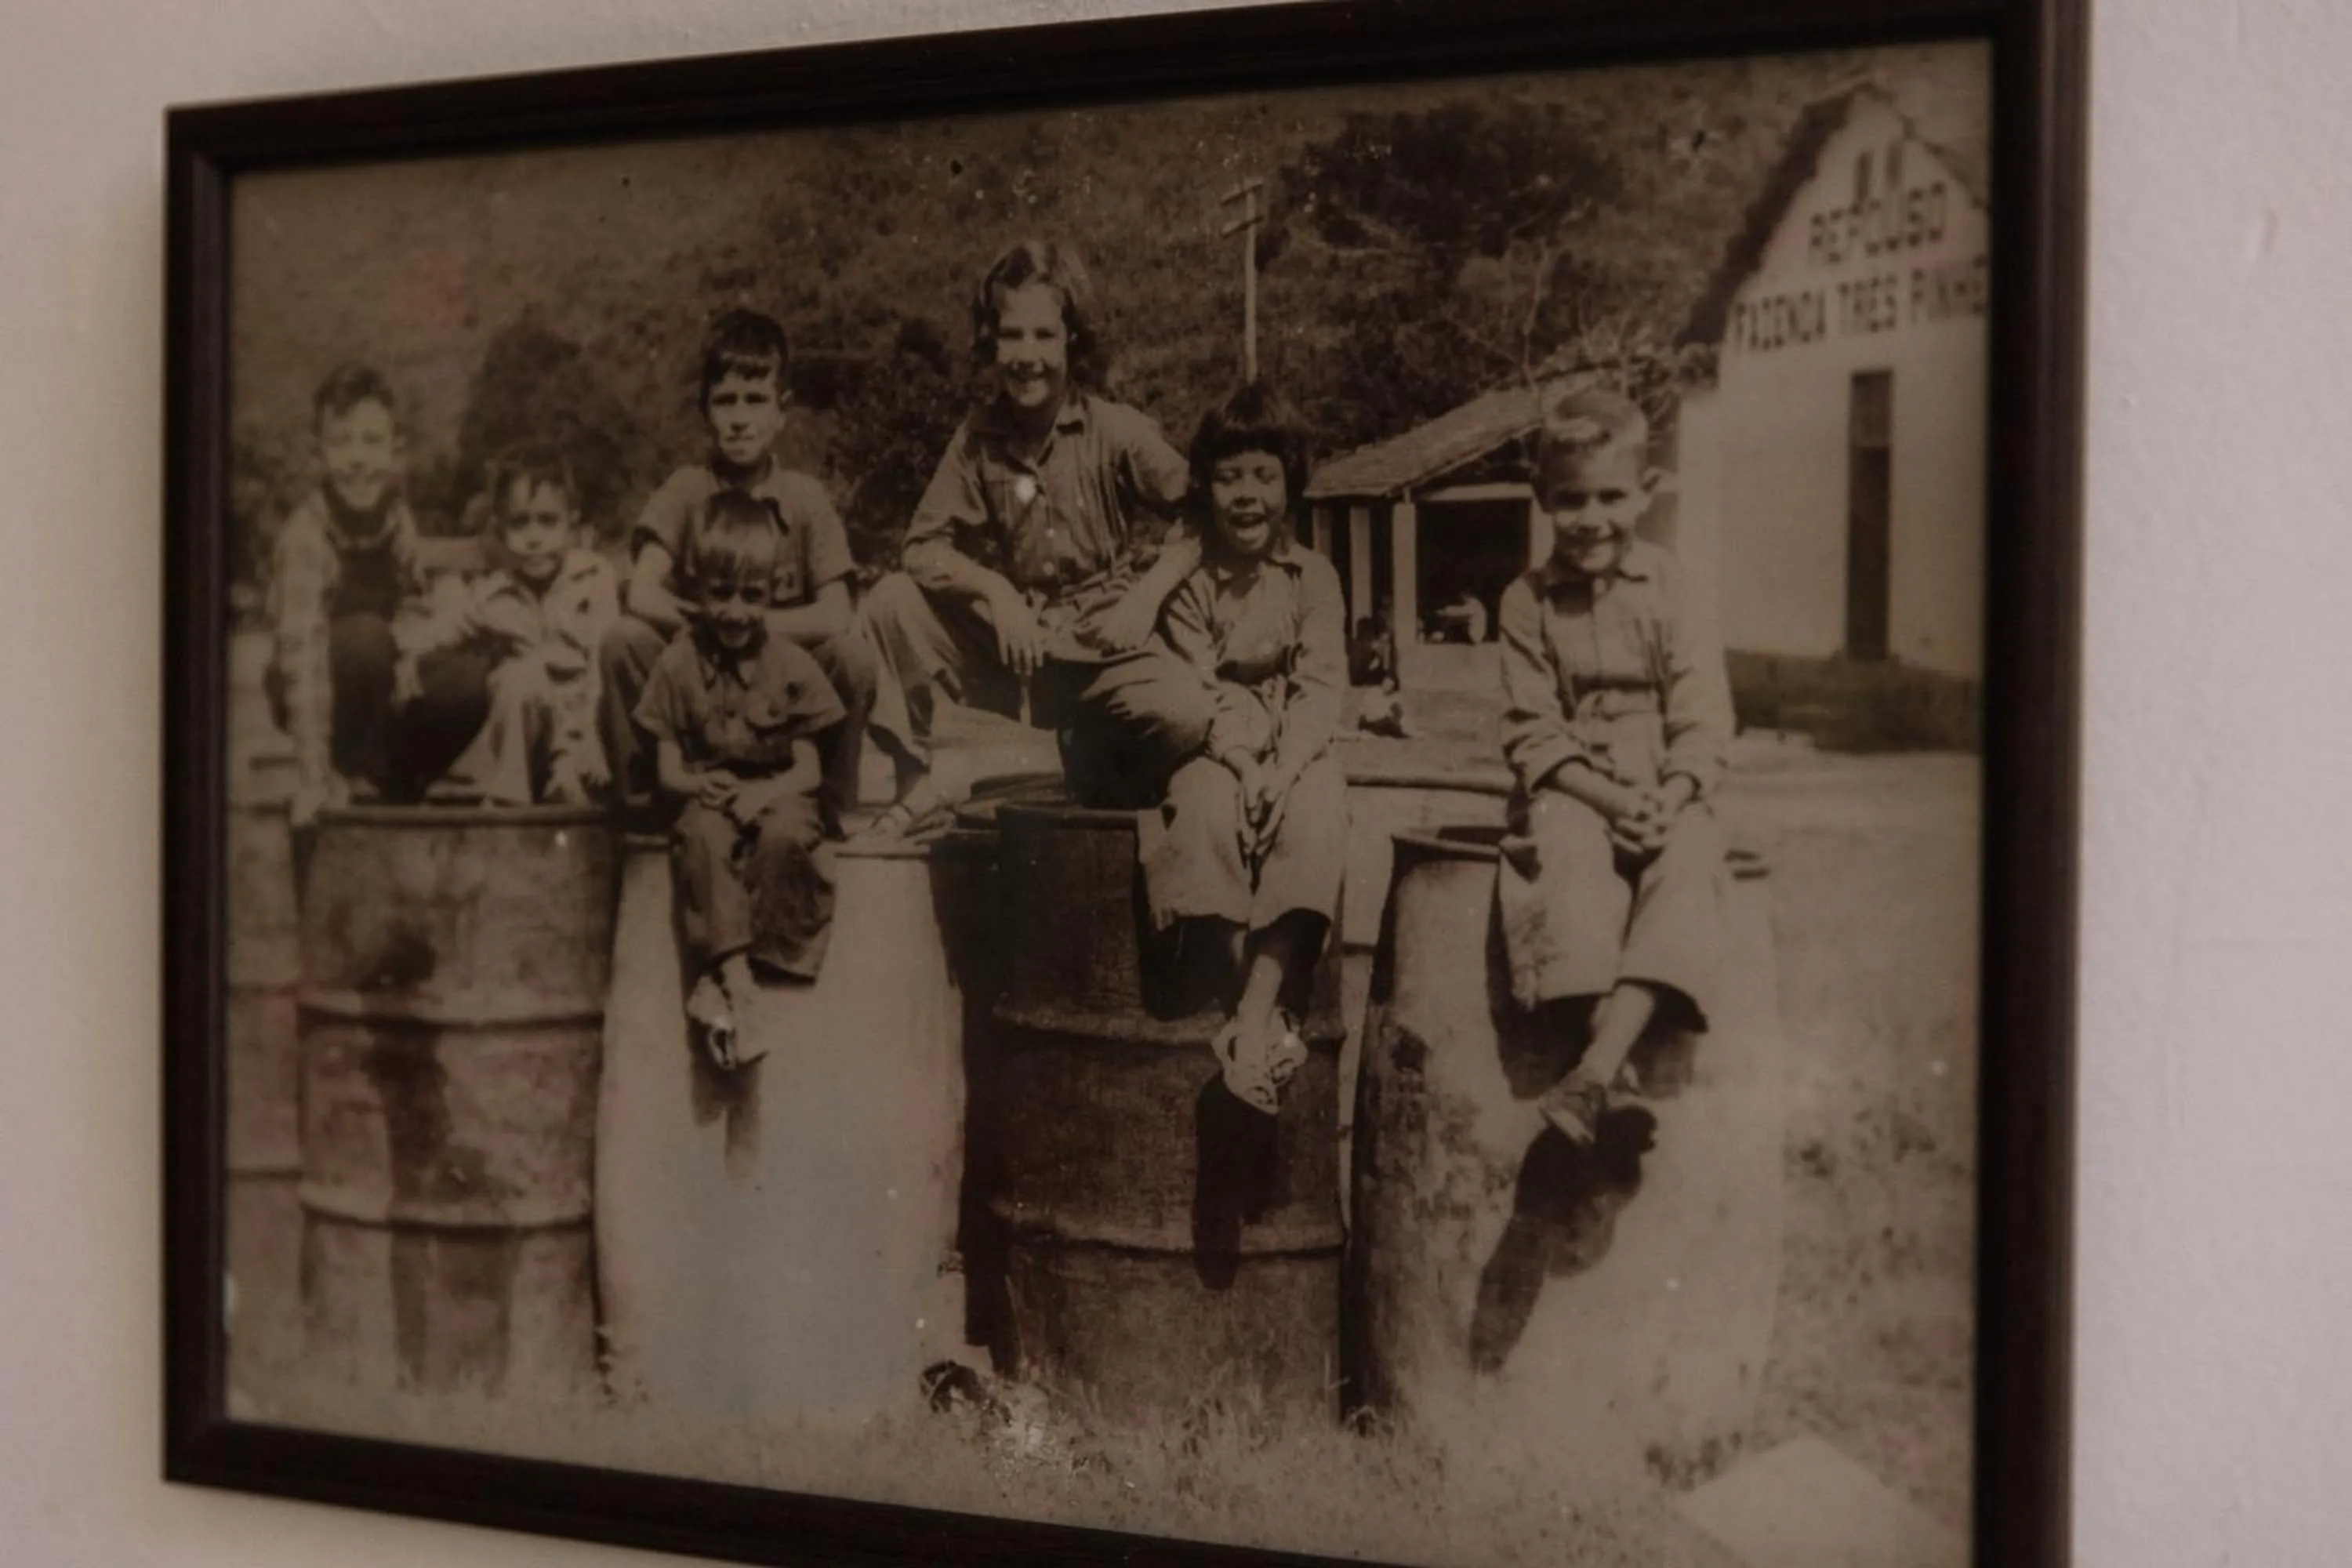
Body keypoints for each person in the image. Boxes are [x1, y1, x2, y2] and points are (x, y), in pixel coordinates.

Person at [858, 238, 1204, 833]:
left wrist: (1148, 594)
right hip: (1021, 653)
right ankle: (922, 784)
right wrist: (992, 588)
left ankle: (1019, 766)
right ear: (990, 341)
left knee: (1186, 714)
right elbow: (921, 547)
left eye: (1044, 335)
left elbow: (1203, 509)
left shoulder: (1115, 429)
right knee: (890, 602)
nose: (1027, 357)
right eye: (1011, 336)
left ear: (1072, 338)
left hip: (1104, 649)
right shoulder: (975, 439)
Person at [1495, 382, 1734, 1147]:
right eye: (1571, 500)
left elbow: (1703, 716)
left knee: (1691, 859)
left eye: (1610, 497)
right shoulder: (1525, 601)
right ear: (1540, 497)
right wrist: (1605, 800)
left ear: (1646, 493)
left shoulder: (1676, 587)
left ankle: (1593, 1071)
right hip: (1576, 788)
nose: (1591, 518)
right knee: (1566, 861)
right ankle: (1611, 1070)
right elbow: (1535, 734)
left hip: (1664, 783)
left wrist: (1671, 793)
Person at [1133, 383, 1348, 1115]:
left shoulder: (1314, 578)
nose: (1247, 496)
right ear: (1207, 487)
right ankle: (1254, 1007)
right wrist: (1245, 764)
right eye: (1230, 478)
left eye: (1264, 476)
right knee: (1198, 812)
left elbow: (1322, 688)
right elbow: (1194, 687)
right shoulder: (1190, 583)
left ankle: (1249, 1025)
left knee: (1317, 815)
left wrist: (1285, 771)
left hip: (1294, 747)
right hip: (1219, 745)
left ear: (1290, 484)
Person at [599, 309, 876, 829]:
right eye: (725, 402)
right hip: (701, 683)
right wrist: (711, 625)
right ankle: (645, 816)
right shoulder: (685, 490)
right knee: (623, 641)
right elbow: (641, 593)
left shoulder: (805, 500)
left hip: (779, 690)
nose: (740, 418)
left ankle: (832, 808)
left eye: (756, 400)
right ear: (706, 410)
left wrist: (754, 626)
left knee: (853, 659)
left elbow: (836, 613)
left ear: (782, 410)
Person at [633, 492, 847, 1070]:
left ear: (773, 592)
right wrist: (696, 787)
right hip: (707, 790)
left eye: (751, 596)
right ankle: (738, 987)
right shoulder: (677, 664)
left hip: (779, 791)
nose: (733, 613)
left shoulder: (791, 664)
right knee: (702, 837)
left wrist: (762, 793)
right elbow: (667, 770)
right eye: (719, 594)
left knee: (785, 839)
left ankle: (724, 979)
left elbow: (809, 769)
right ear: (696, 590)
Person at [267, 362, 492, 826]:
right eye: (341, 441)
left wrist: (409, 650)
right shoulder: (306, 539)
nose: (358, 459)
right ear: (317, 455)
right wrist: (312, 774)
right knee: (366, 640)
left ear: (395, 453)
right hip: (318, 687)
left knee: (467, 682)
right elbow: (301, 660)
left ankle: (396, 786)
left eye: (372, 442)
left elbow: (413, 599)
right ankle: (342, 776)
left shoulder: (395, 519)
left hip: (379, 679)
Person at [401, 446, 621, 805]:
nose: (534, 537)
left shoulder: (594, 578)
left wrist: (594, 741)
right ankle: (510, 800)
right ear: (501, 528)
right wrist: (407, 653)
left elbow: (601, 668)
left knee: (577, 706)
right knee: (520, 675)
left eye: (549, 521)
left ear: (572, 523)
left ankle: (565, 782)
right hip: (525, 733)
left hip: (584, 728)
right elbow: (441, 629)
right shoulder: (494, 593)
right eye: (520, 522)